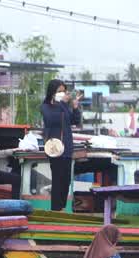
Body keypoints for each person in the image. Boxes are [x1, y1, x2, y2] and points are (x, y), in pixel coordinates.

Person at [40, 80, 82, 212]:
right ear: (52, 92)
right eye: (59, 91)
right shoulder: (46, 106)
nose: (62, 94)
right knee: (57, 180)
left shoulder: (63, 106)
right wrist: (62, 103)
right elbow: (51, 120)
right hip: (55, 148)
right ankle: (56, 209)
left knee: (66, 181)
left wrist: (75, 107)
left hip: (67, 147)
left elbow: (74, 121)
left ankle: (62, 207)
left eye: (63, 91)